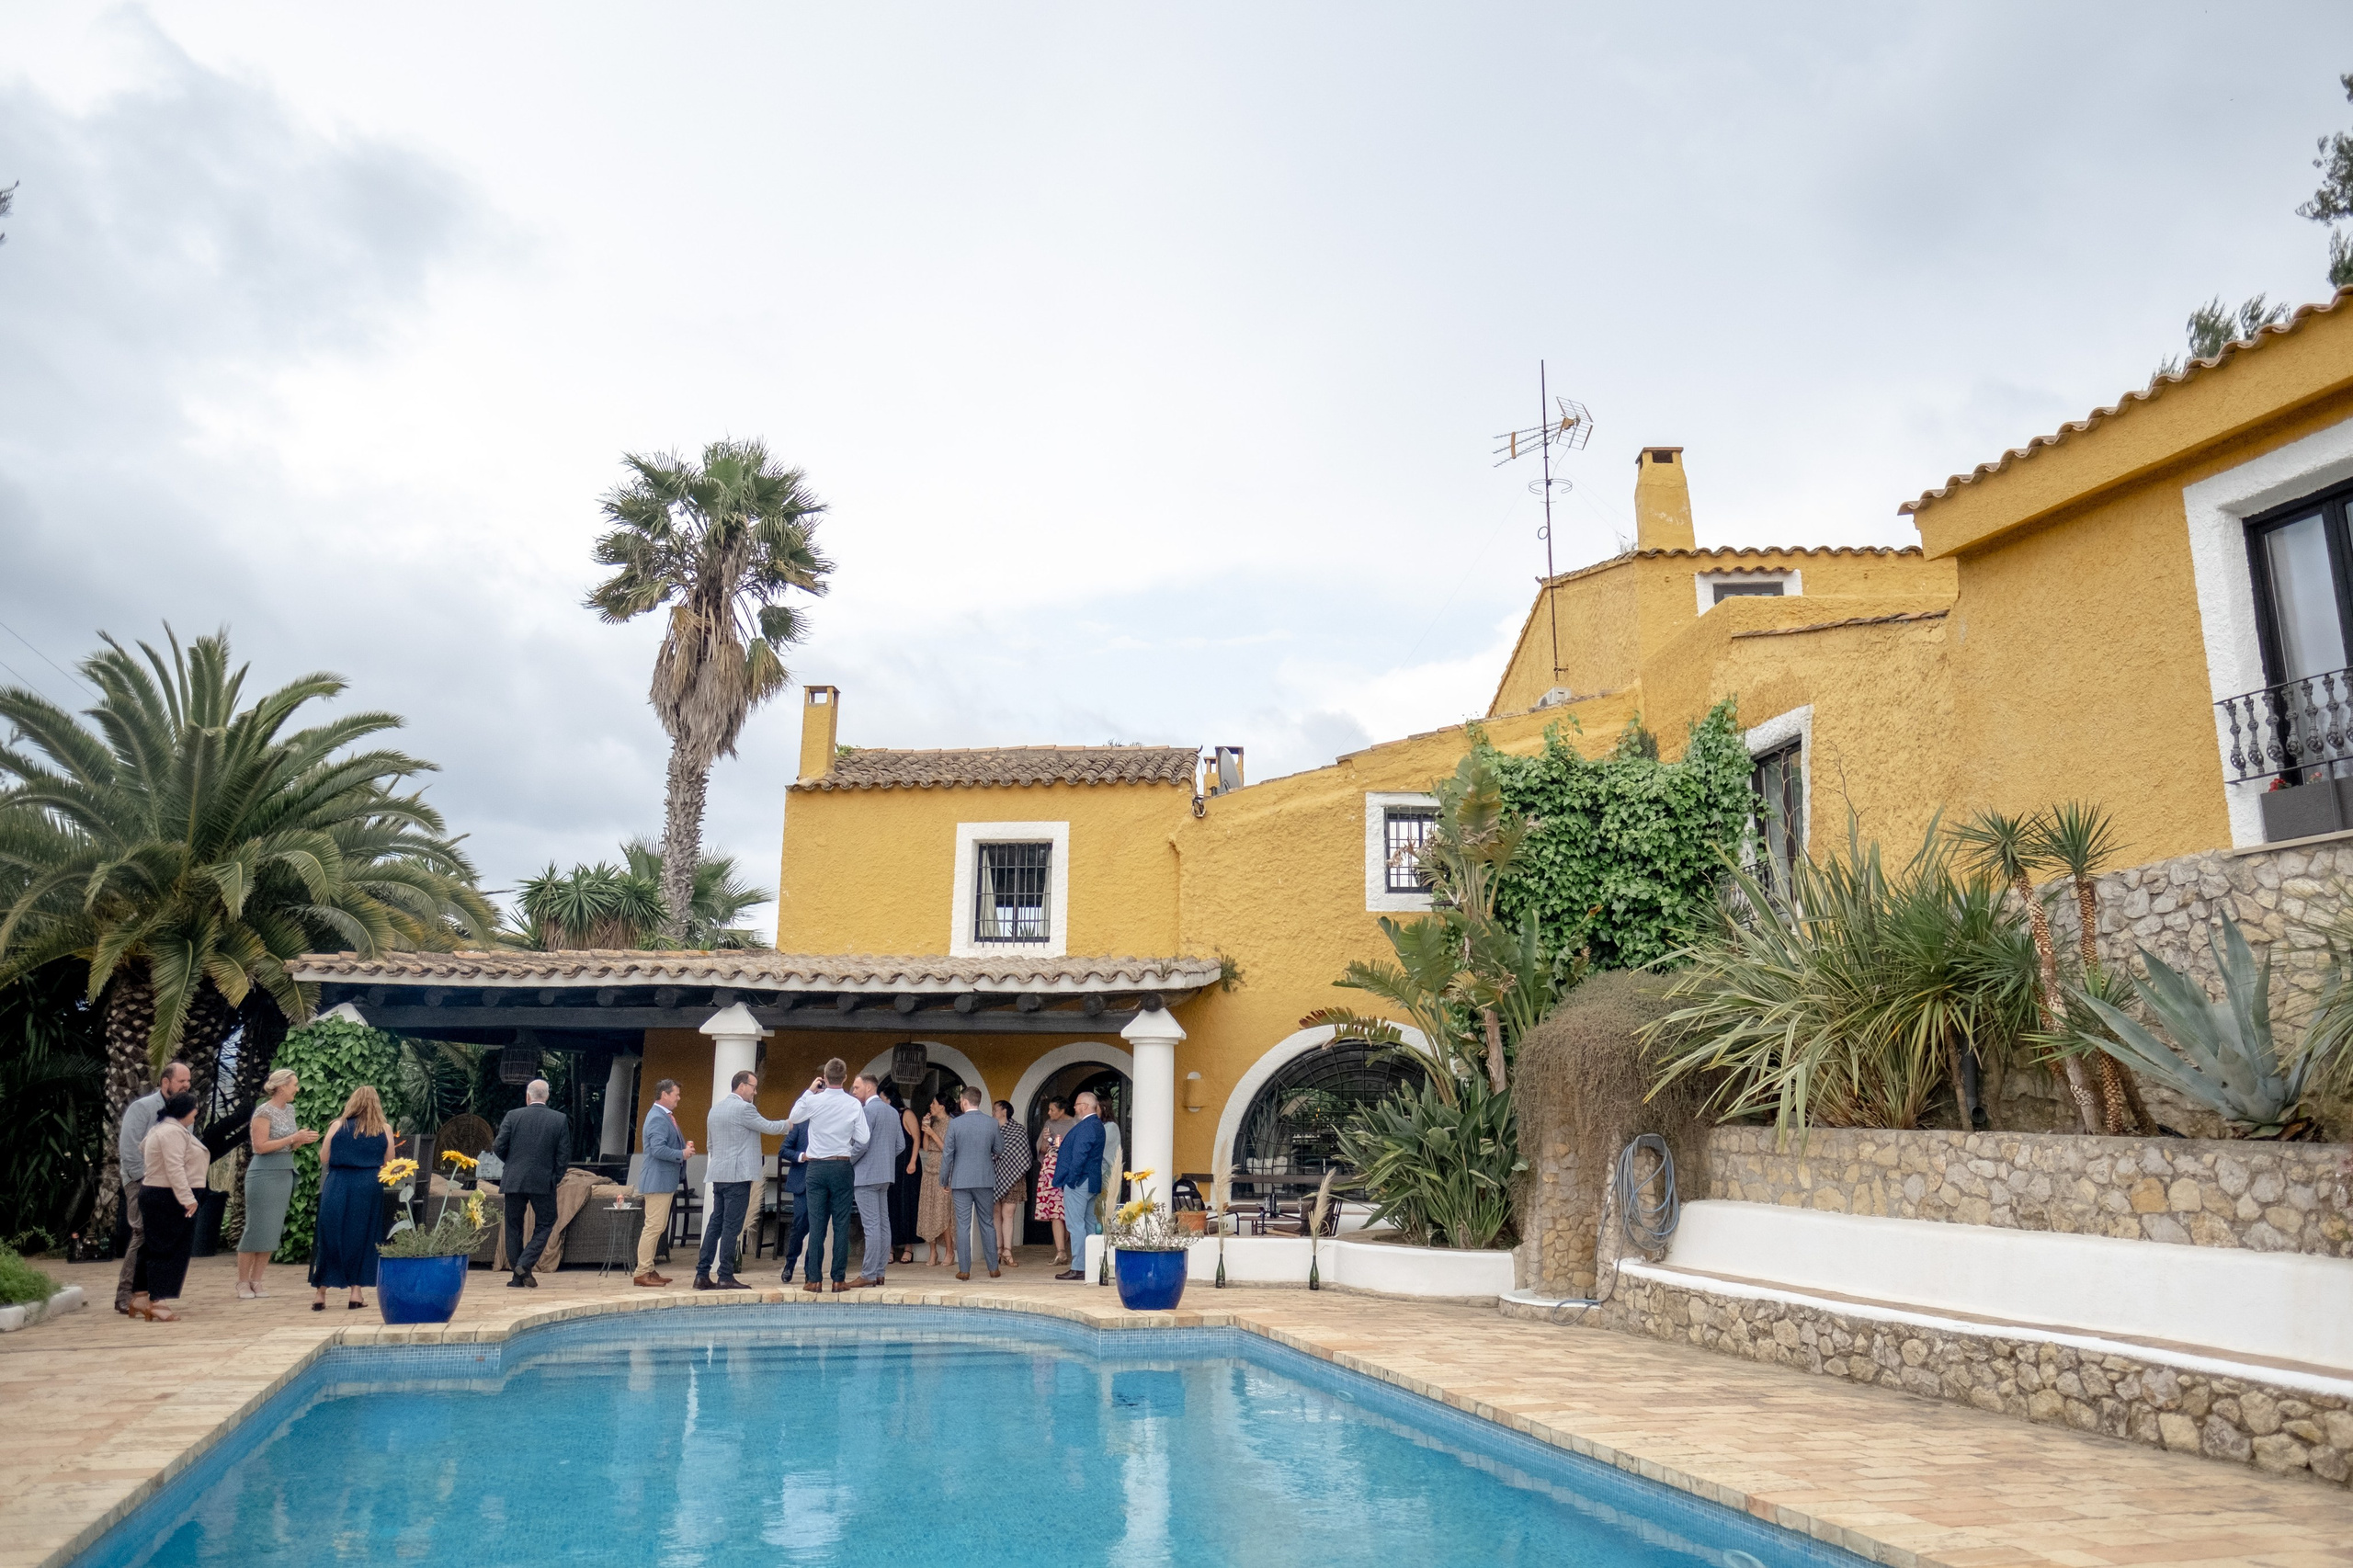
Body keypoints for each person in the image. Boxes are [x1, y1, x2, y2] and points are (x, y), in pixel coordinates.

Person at [699, 1069, 794, 1290]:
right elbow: (769, 1127)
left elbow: (710, 1145)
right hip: (738, 1176)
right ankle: (725, 1275)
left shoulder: (715, 1109)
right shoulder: (744, 1108)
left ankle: (702, 1273)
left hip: (719, 1174)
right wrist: (789, 1124)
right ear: (741, 1086)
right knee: (732, 1227)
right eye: (753, 1086)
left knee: (715, 1224)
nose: (755, 1091)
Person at [115, 1060, 193, 1315]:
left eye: (188, 1081)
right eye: (182, 1081)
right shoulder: (142, 1108)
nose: (187, 1085)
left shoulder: (183, 1111)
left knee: (154, 1237)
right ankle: (126, 1296)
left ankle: (146, 1294)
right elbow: (130, 1151)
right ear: (165, 1082)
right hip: (142, 1182)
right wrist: (150, 1181)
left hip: (166, 1187)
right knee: (142, 1234)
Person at [786, 1058, 871, 1292]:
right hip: (841, 1166)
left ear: (824, 1075)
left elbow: (794, 1116)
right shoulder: (853, 1104)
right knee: (841, 1224)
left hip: (816, 1167)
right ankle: (838, 1279)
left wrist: (809, 1091)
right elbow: (864, 1138)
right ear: (845, 1078)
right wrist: (847, 1148)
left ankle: (813, 1280)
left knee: (817, 1224)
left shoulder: (814, 1101)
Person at [236, 1068, 318, 1299]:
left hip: (284, 1170)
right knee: (256, 1227)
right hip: (263, 1173)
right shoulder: (264, 1111)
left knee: (273, 1228)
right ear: (281, 1086)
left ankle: (257, 1280)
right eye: (294, 1084)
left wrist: (300, 1140)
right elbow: (260, 1146)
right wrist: (293, 1138)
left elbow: (287, 1144)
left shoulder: (290, 1110)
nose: (297, 1089)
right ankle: (242, 1282)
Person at [310, 1085, 392, 1311]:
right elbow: (389, 1163)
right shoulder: (384, 1129)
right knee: (364, 1238)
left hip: (338, 1183)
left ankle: (321, 1293)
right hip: (369, 1185)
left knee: (331, 1235)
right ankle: (356, 1294)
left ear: (352, 1102)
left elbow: (324, 1157)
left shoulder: (337, 1126)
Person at [127, 1092, 206, 1322]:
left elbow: (144, 1149)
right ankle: (158, 1300)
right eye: (195, 1108)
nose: (197, 1112)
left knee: (152, 1246)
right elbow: (174, 1168)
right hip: (168, 1196)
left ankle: (141, 1296)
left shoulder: (161, 1128)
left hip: (157, 1193)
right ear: (185, 1110)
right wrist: (187, 1197)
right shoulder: (172, 1132)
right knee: (168, 1248)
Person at [493, 1078, 573, 1289]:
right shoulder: (559, 1119)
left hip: (514, 1179)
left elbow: (498, 1146)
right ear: (546, 1096)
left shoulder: (513, 1116)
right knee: (546, 1223)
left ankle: (518, 1275)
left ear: (528, 1096)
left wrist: (512, 1164)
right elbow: (563, 1156)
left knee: (513, 1226)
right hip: (543, 1180)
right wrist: (554, 1177)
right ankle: (524, 1266)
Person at [632, 1078, 694, 1288]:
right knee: (653, 1227)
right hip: (657, 1180)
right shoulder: (658, 1118)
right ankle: (642, 1272)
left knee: (658, 1226)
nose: (678, 1097)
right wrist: (682, 1153)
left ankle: (649, 1269)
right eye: (676, 1093)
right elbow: (658, 1149)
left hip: (663, 1181)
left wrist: (682, 1150)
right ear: (664, 1094)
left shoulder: (663, 1116)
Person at [849, 1074, 906, 1287]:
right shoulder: (892, 1112)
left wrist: (848, 1161)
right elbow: (900, 1145)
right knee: (883, 1224)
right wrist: (884, 1158)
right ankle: (880, 1272)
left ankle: (868, 1273)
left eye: (857, 1087)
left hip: (865, 1175)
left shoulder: (866, 1111)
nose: (853, 1091)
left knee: (872, 1226)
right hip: (885, 1174)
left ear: (870, 1087)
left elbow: (861, 1144)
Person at [940, 1085, 1002, 1280]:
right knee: (987, 1223)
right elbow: (999, 1149)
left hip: (960, 1180)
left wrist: (944, 1179)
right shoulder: (992, 1123)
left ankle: (964, 1270)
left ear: (964, 1101)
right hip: (984, 1179)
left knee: (963, 1225)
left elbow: (947, 1154)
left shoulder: (955, 1124)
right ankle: (993, 1268)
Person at [1052, 1090, 1106, 1281]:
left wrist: (1072, 1179)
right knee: (1090, 1224)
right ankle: (1092, 1265)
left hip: (1080, 1182)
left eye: (1076, 1105)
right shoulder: (1096, 1125)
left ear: (1084, 1106)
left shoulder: (1086, 1126)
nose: (1074, 1108)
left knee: (1076, 1225)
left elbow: (1079, 1156)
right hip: (1091, 1182)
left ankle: (1079, 1267)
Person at [883, 1082, 922, 1266]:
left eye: (883, 1099)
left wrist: (913, 1161)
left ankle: (908, 1247)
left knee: (908, 1204)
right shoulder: (886, 1116)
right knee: (891, 1204)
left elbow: (916, 1138)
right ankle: (890, 1247)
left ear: (890, 1099)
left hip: (907, 1163)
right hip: (891, 1165)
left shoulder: (907, 1114)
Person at [991, 1099, 1031, 1269]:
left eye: (996, 1109)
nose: (993, 1111)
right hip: (993, 1175)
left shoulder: (1018, 1130)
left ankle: (1007, 1251)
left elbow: (1023, 1155)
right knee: (995, 1213)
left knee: (1008, 1213)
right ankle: (997, 1250)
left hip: (1013, 1177)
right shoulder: (991, 1129)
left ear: (1004, 1111)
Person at [915, 1095, 953, 1266]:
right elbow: (925, 1147)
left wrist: (932, 1134)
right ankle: (933, 1252)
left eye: (934, 1103)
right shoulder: (934, 1122)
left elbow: (948, 1149)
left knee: (943, 1212)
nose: (931, 1106)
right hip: (929, 1169)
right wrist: (926, 1129)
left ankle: (950, 1252)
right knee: (928, 1211)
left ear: (942, 1106)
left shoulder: (952, 1124)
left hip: (943, 1170)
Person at [1034, 1096, 1072, 1266]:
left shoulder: (1075, 1123)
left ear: (1062, 1110)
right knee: (1056, 1211)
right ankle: (1060, 1251)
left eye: (1052, 1110)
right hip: (1051, 1171)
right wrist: (1044, 1138)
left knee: (1069, 1211)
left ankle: (1066, 1249)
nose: (1049, 1113)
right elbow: (1042, 1150)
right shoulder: (1049, 1124)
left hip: (1070, 1170)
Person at [778, 1113, 813, 1283]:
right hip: (802, 1182)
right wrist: (802, 1156)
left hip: (823, 1183)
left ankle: (810, 1270)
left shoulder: (831, 1122)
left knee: (818, 1229)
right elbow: (783, 1150)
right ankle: (790, 1264)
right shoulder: (800, 1124)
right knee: (799, 1225)